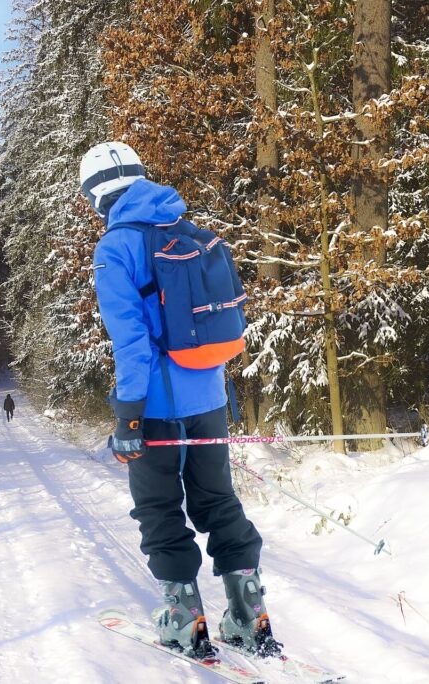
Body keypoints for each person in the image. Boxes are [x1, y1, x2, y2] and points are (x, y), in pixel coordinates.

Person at [81, 142, 275, 658]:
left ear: (96, 194)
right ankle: (248, 612)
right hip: (209, 396)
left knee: (159, 507)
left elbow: (131, 342)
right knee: (218, 501)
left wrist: (128, 417)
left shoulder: (115, 247)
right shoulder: (189, 232)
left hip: (156, 408)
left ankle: (184, 620)